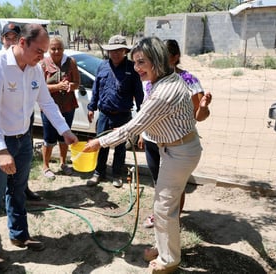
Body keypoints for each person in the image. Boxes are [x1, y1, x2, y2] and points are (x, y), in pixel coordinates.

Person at [83, 36, 202, 272]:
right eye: (135, 62)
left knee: (163, 207)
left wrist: (99, 142)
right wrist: (132, 127)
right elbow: (144, 121)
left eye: (141, 62)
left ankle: (169, 261)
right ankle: (163, 247)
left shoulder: (163, 92)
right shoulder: (166, 79)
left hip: (178, 151)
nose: (136, 68)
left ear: (157, 60)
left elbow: (134, 125)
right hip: (175, 148)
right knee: (162, 204)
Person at [0, 23, 78, 270]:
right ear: (22, 43)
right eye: (39, 50)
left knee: (19, 189)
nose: (43, 57)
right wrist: (1, 150)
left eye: (45, 51)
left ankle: (19, 234)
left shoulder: (34, 69)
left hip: (23, 139)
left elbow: (47, 102)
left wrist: (65, 131)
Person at [141, 39, 212, 229]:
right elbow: (144, 111)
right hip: (151, 140)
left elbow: (199, 116)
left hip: (174, 143)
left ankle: (173, 218)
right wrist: (141, 133)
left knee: (175, 184)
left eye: (164, 55)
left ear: (175, 57)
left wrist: (203, 108)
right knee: (158, 180)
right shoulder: (150, 78)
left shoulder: (189, 81)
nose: (160, 59)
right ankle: (161, 214)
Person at [86, 34, 143, 188]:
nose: (115, 53)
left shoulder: (132, 68)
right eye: (112, 50)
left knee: (120, 147)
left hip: (123, 115)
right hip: (104, 113)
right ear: (108, 51)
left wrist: (142, 112)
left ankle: (117, 174)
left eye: (119, 50)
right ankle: (99, 172)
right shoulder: (102, 66)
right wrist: (91, 107)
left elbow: (139, 93)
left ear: (125, 50)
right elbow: (96, 88)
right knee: (101, 144)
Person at [1, 22, 41, 201]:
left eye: (14, 38)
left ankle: (23, 187)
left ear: (21, 41)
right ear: (2, 40)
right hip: (4, 131)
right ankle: (4, 194)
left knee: (22, 164)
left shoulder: (31, 65)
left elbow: (43, 99)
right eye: (7, 38)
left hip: (24, 123)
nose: (10, 42)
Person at [40, 36, 80, 180]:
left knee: (65, 137)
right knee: (49, 138)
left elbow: (77, 82)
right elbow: (39, 88)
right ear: (48, 49)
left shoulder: (70, 62)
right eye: (53, 48)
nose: (57, 51)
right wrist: (57, 87)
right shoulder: (43, 63)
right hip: (49, 108)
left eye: (60, 48)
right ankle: (46, 166)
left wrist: (71, 86)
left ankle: (63, 163)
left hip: (68, 106)